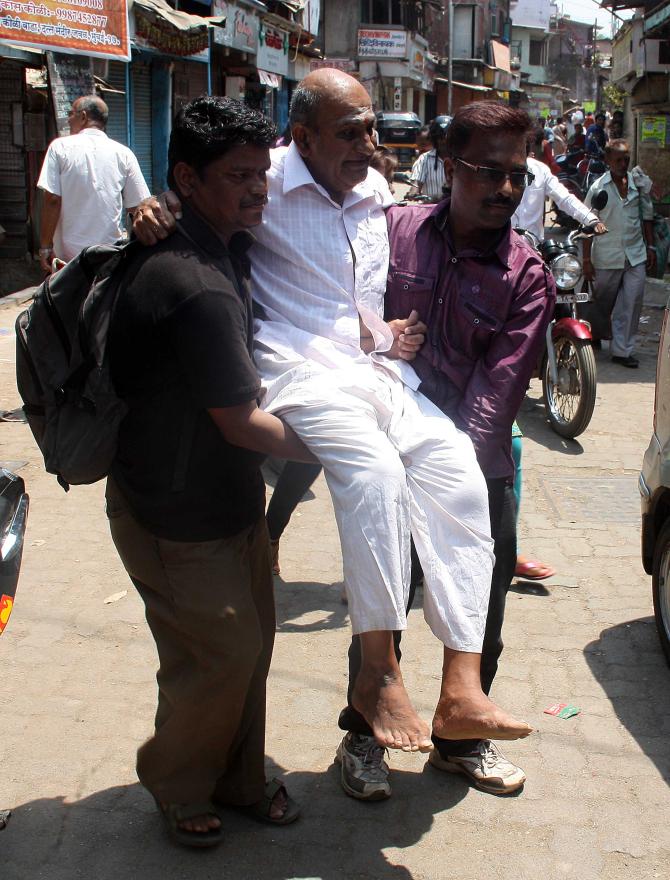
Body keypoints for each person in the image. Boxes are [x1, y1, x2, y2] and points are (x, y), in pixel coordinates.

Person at [134, 69, 533, 765]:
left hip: (374, 372)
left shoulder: (377, 193)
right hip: (298, 371)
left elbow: (352, 295)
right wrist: (148, 207)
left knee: (462, 473)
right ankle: (376, 670)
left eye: (372, 128)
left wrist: (386, 332)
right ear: (304, 137)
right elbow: (195, 201)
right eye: (350, 132)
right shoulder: (262, 184)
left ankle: (461, 687)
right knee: (373, 476)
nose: (369, 144)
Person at [107, 96, 314, 847]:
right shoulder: (191, 281)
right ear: (188, 180)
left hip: (226, 499)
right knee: (220, 653)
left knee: (251, 645)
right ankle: (177, 782)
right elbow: (242, 421)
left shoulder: (228, 240)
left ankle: (241, 779)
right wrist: (350, 451)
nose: (260, 189)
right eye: (240, 176)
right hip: (173, 511)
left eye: (263, 173)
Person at [337, 101, 555, 798]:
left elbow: (499, 392)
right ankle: (364, 735)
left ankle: (462, 735)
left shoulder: (527, 275)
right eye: (489, 172)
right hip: (385, 454)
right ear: (448, 167)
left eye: (517, 176)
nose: (506, 191)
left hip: (474, 459)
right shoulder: (392, 232)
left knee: (480, 604)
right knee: (383, 596)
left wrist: (449, 470)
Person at [37, 95, 150, 273]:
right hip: (109, 256)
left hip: (67, 261)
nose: (68, 118)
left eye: (71, 113)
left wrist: (45, 247)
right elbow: (138, 207)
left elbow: (52, 199)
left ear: (83, 116)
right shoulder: (123, 153)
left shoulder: (59, 147)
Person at [583, 139, 655, 368]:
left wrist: (651, 247)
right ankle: (594, 332)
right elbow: (586, 222)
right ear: (608, 161)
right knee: (602, 302)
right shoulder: (598, 188)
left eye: (627, 159)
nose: (624, 164)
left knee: (632, 301)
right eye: (619, 159)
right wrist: (586, 259)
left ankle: (623, 350)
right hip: (607, 256)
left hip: (635, 254)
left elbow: (647, 217)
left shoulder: (638, 185)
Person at [512, 150, 606, 242]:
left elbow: (565, 198)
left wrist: (591, 220)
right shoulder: (498, 171)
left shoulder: (540, 170)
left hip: (532, 249)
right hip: (501, 248)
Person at [408, 118, 449, 200]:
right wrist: (412, 193)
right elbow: (416, 185)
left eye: (446, 137)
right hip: (431, 210)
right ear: (434, 138)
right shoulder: (424, 159)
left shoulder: (460, 159)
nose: (443, 141)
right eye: (439, 137)